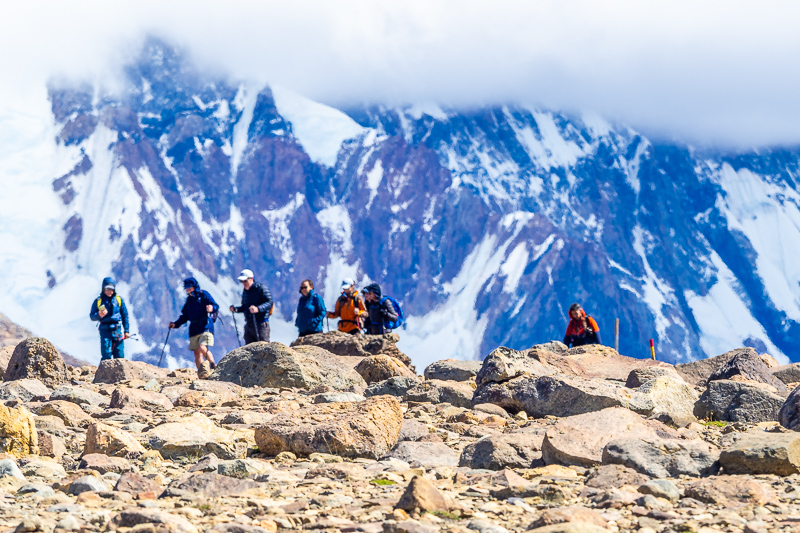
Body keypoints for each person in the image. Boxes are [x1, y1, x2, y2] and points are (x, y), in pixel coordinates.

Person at [169, 277, 219, 370]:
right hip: (194, 329)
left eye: (189, 287)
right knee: (196, 352)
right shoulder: (189, 300)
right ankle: (201, 373)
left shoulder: (203, 294)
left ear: (194, 286)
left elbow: (215, 306)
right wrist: (175, 324)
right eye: (186, 287)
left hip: (205, 326)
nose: (187, 289)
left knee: (202, 347)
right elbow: (185, 316)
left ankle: (213, 365)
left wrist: (211, 308)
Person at [89, 277, 130, 360]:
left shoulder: (119, 300)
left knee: (119, 354)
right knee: (106, 354)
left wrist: (126, 330)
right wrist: (99, 315)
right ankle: (105, 372)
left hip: (117, 329)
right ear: (103, 288)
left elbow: (125, 315)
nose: (109, 291)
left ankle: (119, 372)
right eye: (107, 289)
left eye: (111, 289)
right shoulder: (98, 301)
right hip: (105, 329)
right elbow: (92, 316)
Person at [230, 269, 273, 344]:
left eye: (245, 281)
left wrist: (258, 309)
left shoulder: (261, 288)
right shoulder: (245, 291)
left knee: (263, 346)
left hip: (261, 324)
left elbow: (269, 302)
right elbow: (245, 307)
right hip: (249, 324)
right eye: (241, 281)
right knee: (249, 348)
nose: (243, 283)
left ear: (251, 279)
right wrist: (236, 309)